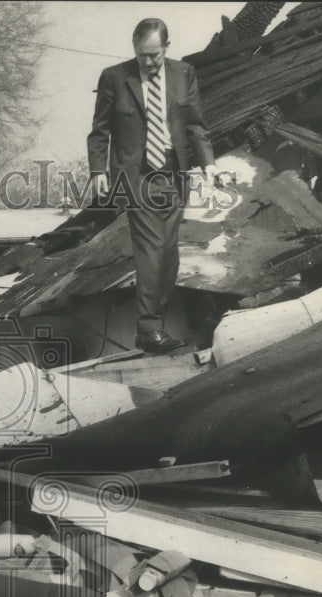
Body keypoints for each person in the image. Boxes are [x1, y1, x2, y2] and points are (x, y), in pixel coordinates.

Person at [88, 18, 215, 353]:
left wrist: (210, 167)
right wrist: (98, 172)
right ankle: (148, 328)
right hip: (136, 178)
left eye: (154, 55)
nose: (148, 62)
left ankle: (152, 327)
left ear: (166, 48)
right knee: (152, 249)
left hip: (173, 176)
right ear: (135, 48)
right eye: (142, 55)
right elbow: (100, 130)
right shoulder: (115, 77)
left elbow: (196, 127)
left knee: (170, 255)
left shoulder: (183, 73)